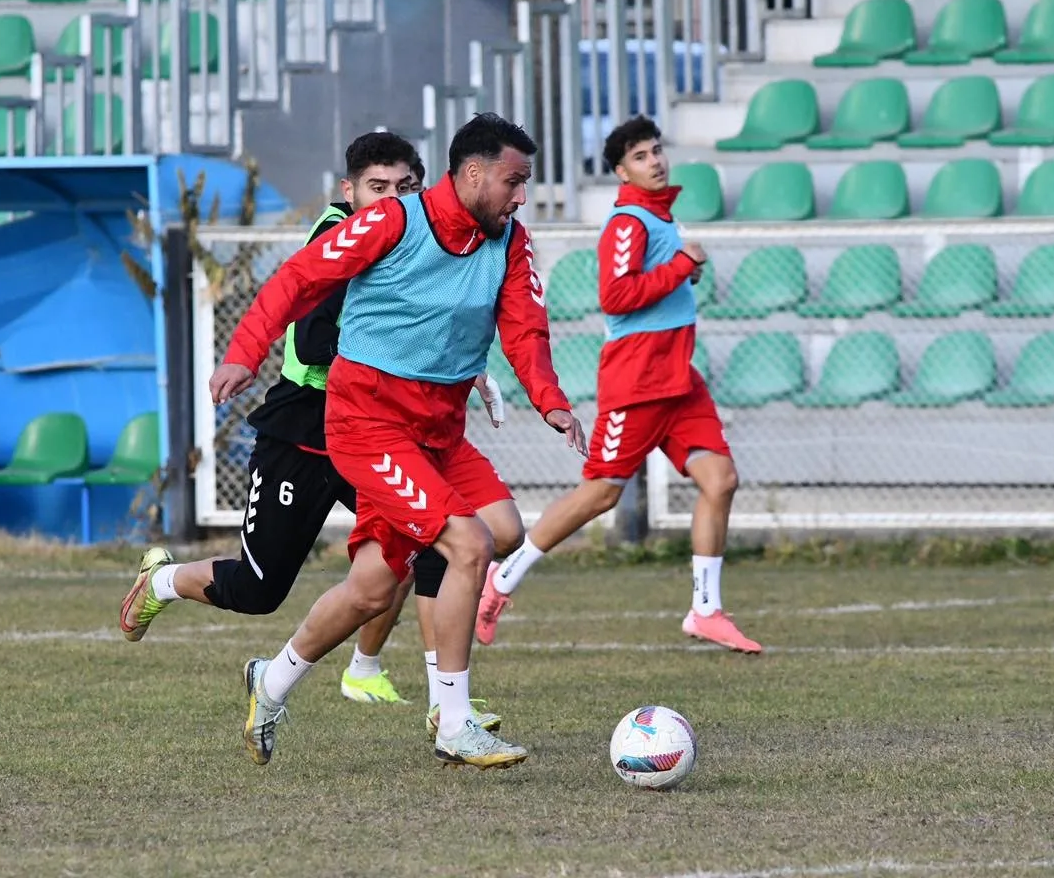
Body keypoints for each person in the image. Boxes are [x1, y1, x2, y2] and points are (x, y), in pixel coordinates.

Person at [208, 113, 588, 769]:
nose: (522, 195)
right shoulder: (392, 222)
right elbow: (297, 279)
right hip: (366, 424)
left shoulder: (510, 242)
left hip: (438, 432)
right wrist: (244, 353)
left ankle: (269, 685)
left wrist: (550, 401)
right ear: (473, 174)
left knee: (379, 588)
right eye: (513, 180)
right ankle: (454, 719)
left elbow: (525, 330)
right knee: (468, 541)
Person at [120, 132, 495, 715]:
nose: (392, 199)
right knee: (258, 590)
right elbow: (318, 340)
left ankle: (439, 705)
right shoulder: (338, 234)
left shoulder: (416, 237)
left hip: (379, 428)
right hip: (307, 428)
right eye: (377, 188)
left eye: (405, 187)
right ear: (349, 192)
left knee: (434, 549)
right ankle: (163, 582)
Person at [475, 116, 760, 655]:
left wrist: (681, 269)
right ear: (620, 170)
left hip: (679, 379)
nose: (655, 161)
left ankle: (705, 610)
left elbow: (656, 281)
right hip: (638, 380)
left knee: (719, 479)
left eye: (657, 150)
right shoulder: (627, 222)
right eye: (641, 156)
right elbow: (617, 296)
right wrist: (681, 266)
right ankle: (502, 579)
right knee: (602, 493)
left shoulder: (658, 217)